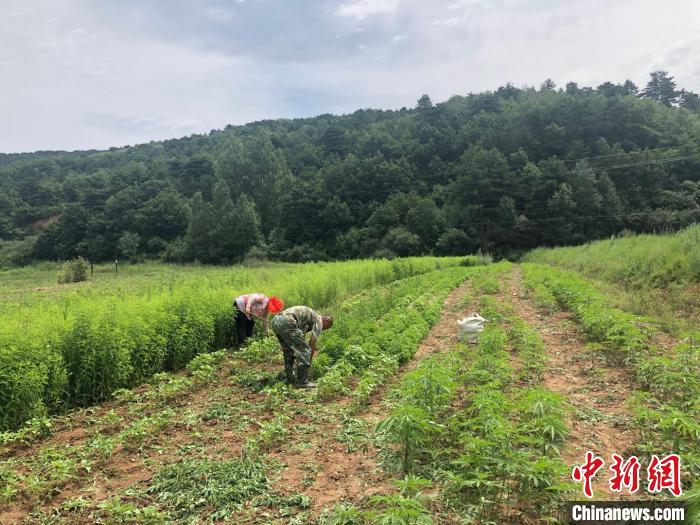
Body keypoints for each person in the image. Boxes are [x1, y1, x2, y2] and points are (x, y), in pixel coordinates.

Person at [271, 305, 333, 388]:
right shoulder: (319, 321)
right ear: (326, 322)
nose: (323, 329)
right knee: (304, 350)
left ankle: (290, 378)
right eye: (326, 328)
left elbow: (300, 337)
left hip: (276, 320)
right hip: (287, 321)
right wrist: (309, 362)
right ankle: (302, 381)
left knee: (288, 350)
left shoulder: (310, 317)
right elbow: (312, 342)